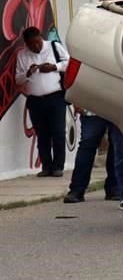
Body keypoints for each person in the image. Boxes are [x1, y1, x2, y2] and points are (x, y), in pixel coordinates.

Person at [15, 26, 70, 177]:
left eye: (38, 42)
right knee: (42, 134)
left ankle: (58, 166)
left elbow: (69, 63)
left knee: (58, 132)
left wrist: (54, 67)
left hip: (55, 97)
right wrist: (28, 73)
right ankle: (46, 166)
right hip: (35, 100)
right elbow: (18, 79)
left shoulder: (54, 46)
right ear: (26, 44)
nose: (36, 46)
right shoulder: (22, 55)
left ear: (41, 37)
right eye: (32, 45)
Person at [63, 110, 120, 203]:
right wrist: (77, 101)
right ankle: (77, 189)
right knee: (87, 146)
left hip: (117, 108)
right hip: (92, 108)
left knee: (117, 146)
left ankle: (115, 187)